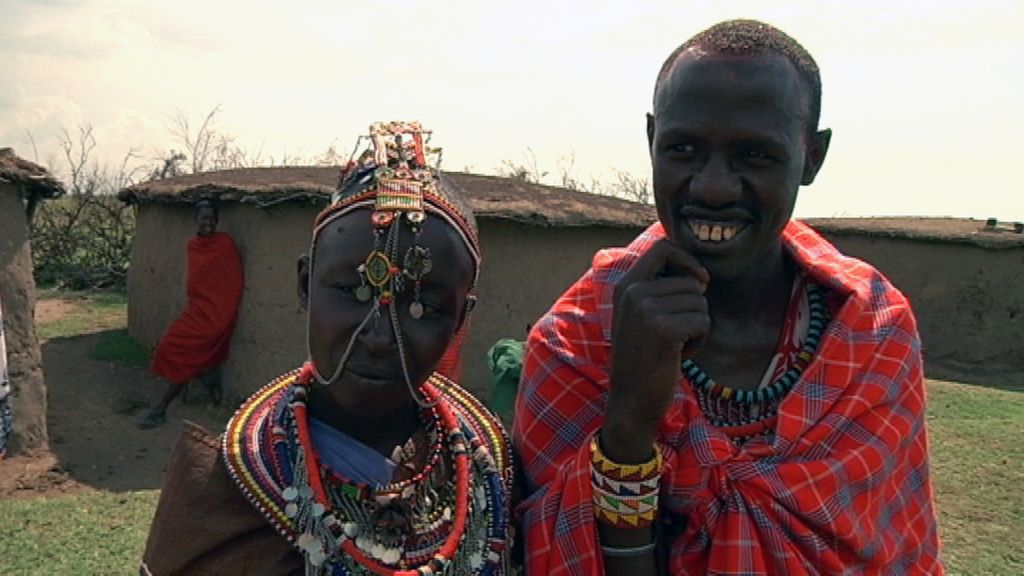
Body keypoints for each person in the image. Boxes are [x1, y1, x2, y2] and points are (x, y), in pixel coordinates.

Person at [514, 20, 942, 575]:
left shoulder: (870, 330)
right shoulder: (576, 344)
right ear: (651, 142)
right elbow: (555, 556)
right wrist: (627, 431)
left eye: (754, 155)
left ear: (812, 156)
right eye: (684, 149)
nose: (713, 187)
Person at [140, 121, 515, 575]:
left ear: (461, 318)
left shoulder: (490, 466)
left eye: (420, 308)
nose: (379, 337)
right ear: (305, 286)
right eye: (353, 293)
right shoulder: (226, 490)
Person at [139, 199, 244, 429]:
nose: (208, 223)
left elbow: (232, 281)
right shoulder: (193, 246)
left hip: (218, 315)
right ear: (195, 219)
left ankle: (160, 408)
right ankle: (205, 376)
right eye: (204, 218)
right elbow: (197, 282)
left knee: (185, 357)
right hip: (198, 309)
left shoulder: (224, 244)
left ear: (217, 220)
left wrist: (220, 308)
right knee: (169, 345)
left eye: (212, 218)